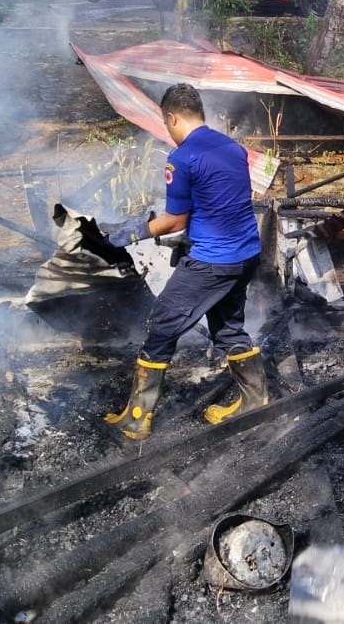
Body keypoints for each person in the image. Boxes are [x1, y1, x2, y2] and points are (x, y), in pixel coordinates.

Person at [101, 83, 267, 439]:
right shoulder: (233, 148)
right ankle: (256, 400)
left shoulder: (182, 157)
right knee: (228, 329)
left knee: (161, 327)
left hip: (212, 262)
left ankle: (137, 417)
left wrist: (130, 231)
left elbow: (174, 220)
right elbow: (220, 202)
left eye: (166, 124)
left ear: (171, 117)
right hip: (246, 255)